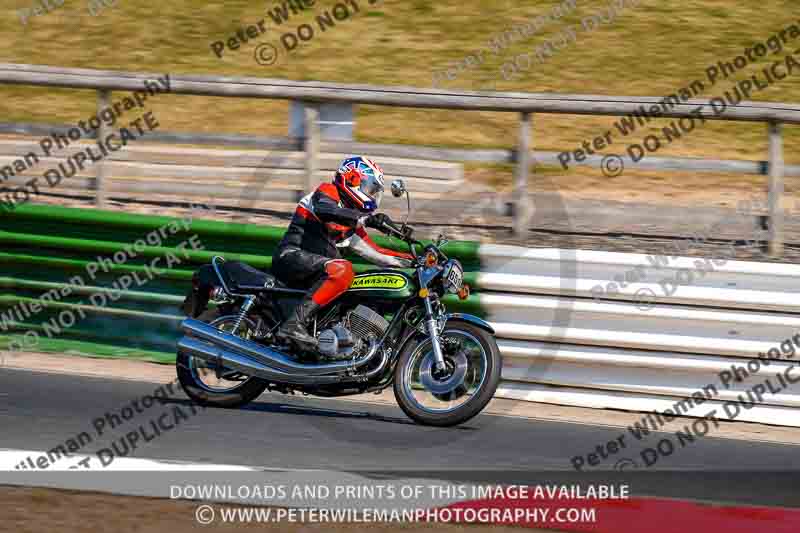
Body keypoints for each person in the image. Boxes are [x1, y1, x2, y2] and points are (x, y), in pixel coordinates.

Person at [271, 156, 415, 349]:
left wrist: (418, 260)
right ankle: (293, 325)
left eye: (375, 192)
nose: (373, 196)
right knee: (343, 269)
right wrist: (364, 219)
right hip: (290, 256)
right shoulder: (327, 193)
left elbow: (378, 253)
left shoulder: (351, 224)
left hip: (317, 271)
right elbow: (325, 210)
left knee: (359, 284)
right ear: (352, 179)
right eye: (370, 189)